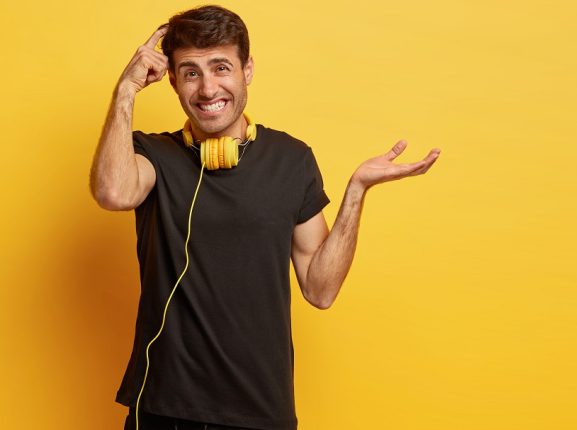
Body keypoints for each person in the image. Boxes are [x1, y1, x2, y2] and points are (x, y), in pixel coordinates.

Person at [88, 5, 440, 430]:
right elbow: (113, 192)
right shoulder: (152, 154)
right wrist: (126, 89)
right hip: (165, 409)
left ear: (247, 70)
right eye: (191, 72)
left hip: (262, 409)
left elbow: (321, 289)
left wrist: (356, 192)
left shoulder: (292, 160)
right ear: (174, 82)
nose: (207, 88)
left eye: (221, 67)